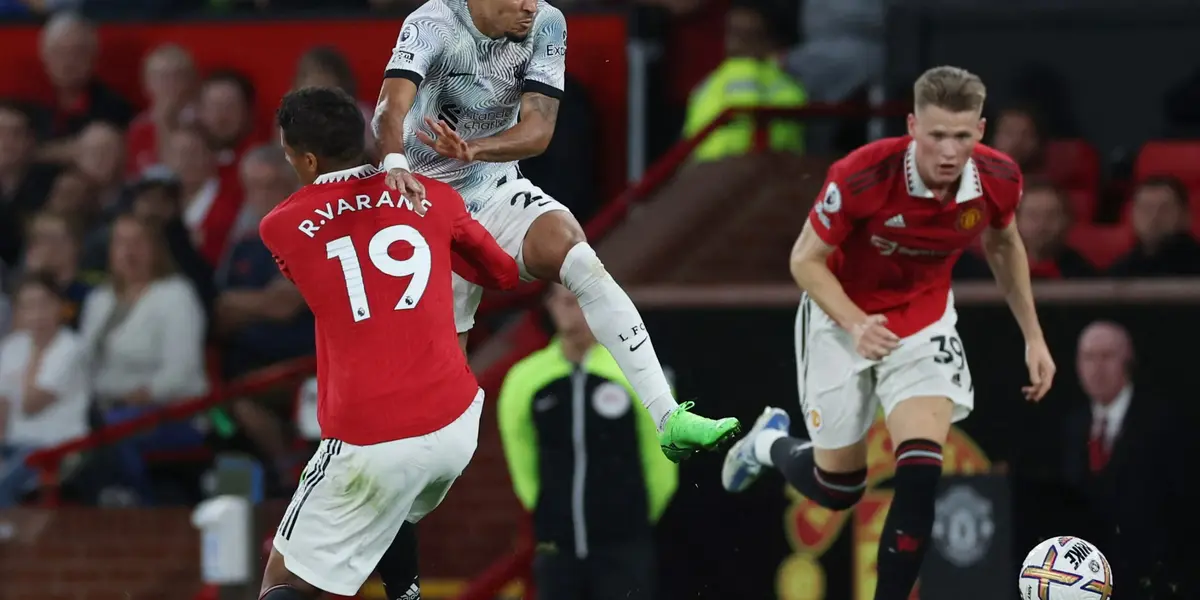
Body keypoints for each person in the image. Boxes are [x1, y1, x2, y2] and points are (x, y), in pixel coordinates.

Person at [720, 66, 1057, 600]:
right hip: (840, 318)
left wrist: (1033, 337)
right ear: (911, 126)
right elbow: (805, 262)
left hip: (923, 324)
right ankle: (767, 442)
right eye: (937, 135)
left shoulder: (999, 177)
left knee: (921, 475)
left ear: (982, 131)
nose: (949, 151)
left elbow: (1003, 243)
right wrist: (856, 323)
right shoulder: (861, 175)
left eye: (963, 136)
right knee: (838, 489)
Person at [374, 0, 739, 462]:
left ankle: (669, 417)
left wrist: (475, 149)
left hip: (495, 189)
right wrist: (393, 163)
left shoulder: (546, 23)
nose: (532, 5)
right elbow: (390, 107)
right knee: (439, 410)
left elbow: (539, 129)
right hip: (423, 206)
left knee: (580, 256)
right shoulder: (431, 25)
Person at [257, 87, 521, 600]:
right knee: (394, 504)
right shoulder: (435, 196)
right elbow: (505, 274)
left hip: (370, 436)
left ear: (307, 159)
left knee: (283, 581)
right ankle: (406, 592)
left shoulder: (281, 226)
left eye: (289, 155)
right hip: (454, 425)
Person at [498, 284, 677, 600]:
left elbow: (663, 450)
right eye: (565, 301)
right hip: (557, 544)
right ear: (550, 305)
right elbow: (520, 452)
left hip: (624, 542)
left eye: (581, 301)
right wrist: (546, 508)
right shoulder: (525, 378)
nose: (573, 311)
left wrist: (633, 514)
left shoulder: (635, 370)